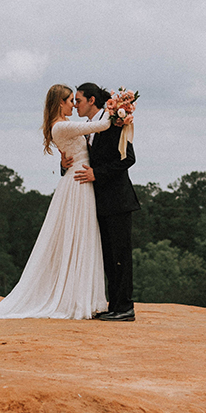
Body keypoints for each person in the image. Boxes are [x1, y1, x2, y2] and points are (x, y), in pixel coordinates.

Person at [0, 85, 111, 321]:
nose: (74, 105)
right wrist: (117, 106)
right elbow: (101, 125)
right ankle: (78, 300)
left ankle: (80, 298)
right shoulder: (63, 126)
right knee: (80, 237)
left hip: (77, 178)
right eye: (70, 101)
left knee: (81, 238)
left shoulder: (60, 126)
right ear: (60, 103)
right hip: (78, 182)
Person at [63, 82, 140, 322]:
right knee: (109, 257)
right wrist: (64, 165)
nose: (75, 105)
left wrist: (97, 173)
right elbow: (82, 156)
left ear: (92, 100)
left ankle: (125, 307)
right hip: (99, 203)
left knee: (121, 256)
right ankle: (114, 306)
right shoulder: (89, 127)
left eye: (78, 100)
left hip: (118, 201)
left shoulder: (114, 123)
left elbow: (128, 159)